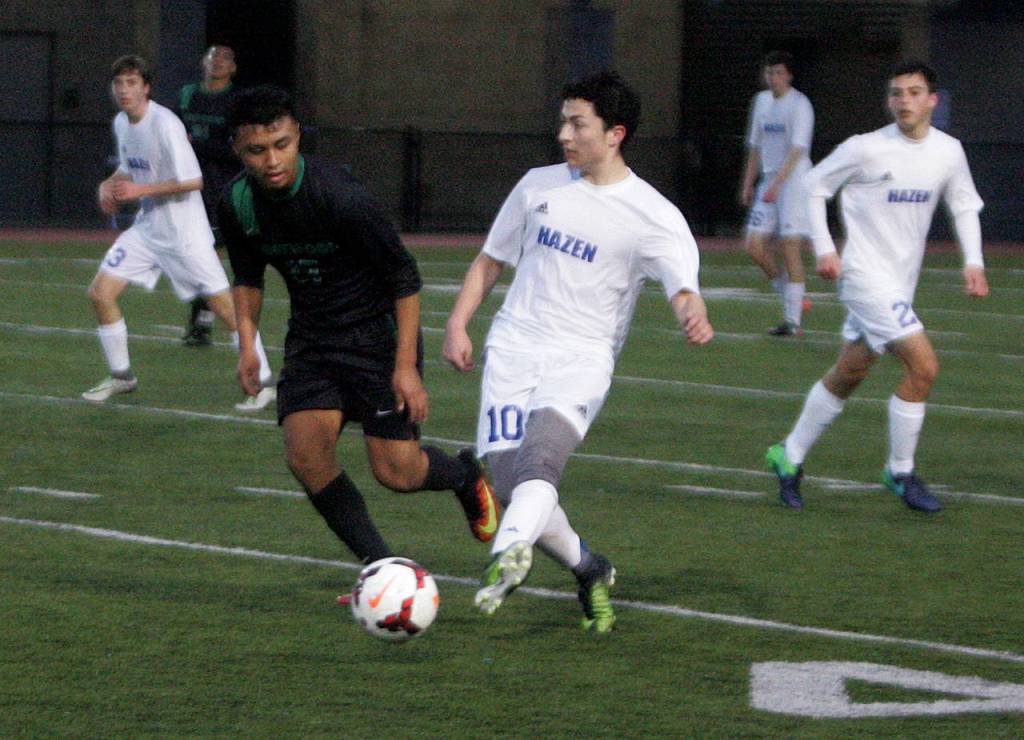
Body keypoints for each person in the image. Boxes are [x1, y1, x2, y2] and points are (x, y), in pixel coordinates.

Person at [443, 71, 713, 632]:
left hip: (582, 357)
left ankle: (507, 553)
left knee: (542, 460)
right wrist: (458, 322)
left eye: (577, 123)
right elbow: (491, 260)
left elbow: (681, 285)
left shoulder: (653, 215)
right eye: (563, 120)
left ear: (615, 133)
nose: (564, 133)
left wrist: (691, 309)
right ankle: (589, 568)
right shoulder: (538, 185)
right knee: (510, 484)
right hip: (514, 347)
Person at [219, 85, 500, 574]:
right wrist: (247, 345)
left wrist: (406, 368)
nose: (271, 161)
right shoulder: (238, 203)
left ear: (298, 136)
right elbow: (247, 275)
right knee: (305, 455)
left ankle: (463, 475)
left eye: (281, 144)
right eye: (256, 151)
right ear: (237, 151)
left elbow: (404, 278)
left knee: (397, 471)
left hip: (376, 340)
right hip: (312, 341)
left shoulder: (341, 198)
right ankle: (381, 565)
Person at [765, 61, 989, 512]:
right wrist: (826, 249)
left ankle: (787, 456)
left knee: (851, 370)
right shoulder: (866, 149)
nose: (904, 100)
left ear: (932, 100)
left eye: (913, 92)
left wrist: (974, 261)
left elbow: (964, 205)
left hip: (900, 282)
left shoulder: (948, 151)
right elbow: (813, 185)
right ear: (889, 101)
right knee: (924, 367)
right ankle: (900, 472)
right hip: (863, 276)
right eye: (896, 93)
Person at [85, 55, 273, 404]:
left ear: (146, 88)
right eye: (119, 84)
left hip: (184, 235)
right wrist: (107, 185)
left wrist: (139, 191)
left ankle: (262, 382)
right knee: (100, 293)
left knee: (226, 309)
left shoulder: (165, 124)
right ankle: (122, 376)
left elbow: (192, 180)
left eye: (131, 83)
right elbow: (129, 168)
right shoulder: (122, 124)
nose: (124, 90)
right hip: (147, 229)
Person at [738, 50, 815, 336]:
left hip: (793, 181)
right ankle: (790, 296)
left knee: (789, 246)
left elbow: (798, 150)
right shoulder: (760, 102)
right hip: (769, 182)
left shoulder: (800, 104)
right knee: (753, 246)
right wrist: (749, 183)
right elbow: (755, 147)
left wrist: (778, 184)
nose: (773, 78)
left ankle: (792, 322)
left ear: (789, 75)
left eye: (779, 72)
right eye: (770, 72)